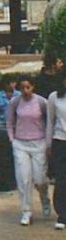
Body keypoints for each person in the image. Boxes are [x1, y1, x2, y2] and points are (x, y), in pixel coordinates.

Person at [6, 75, 50, 225]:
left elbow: (49, 121)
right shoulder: (15, 102)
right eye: (22, 87)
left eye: (28, 87)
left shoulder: (41, 102)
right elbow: (10, 121)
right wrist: (12, 139)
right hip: (20, 144)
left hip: (39, 143)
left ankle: (44, 199)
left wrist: (47, 142)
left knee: (40, 179)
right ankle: (26, 211)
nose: (25, 91)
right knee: (23, 179)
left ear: (33, 87)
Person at [46, 72, 66, 230]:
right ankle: (62, 214)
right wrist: (48, 145)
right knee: (61, 178)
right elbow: (50, 122)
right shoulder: (54, 97)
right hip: (60, 141)